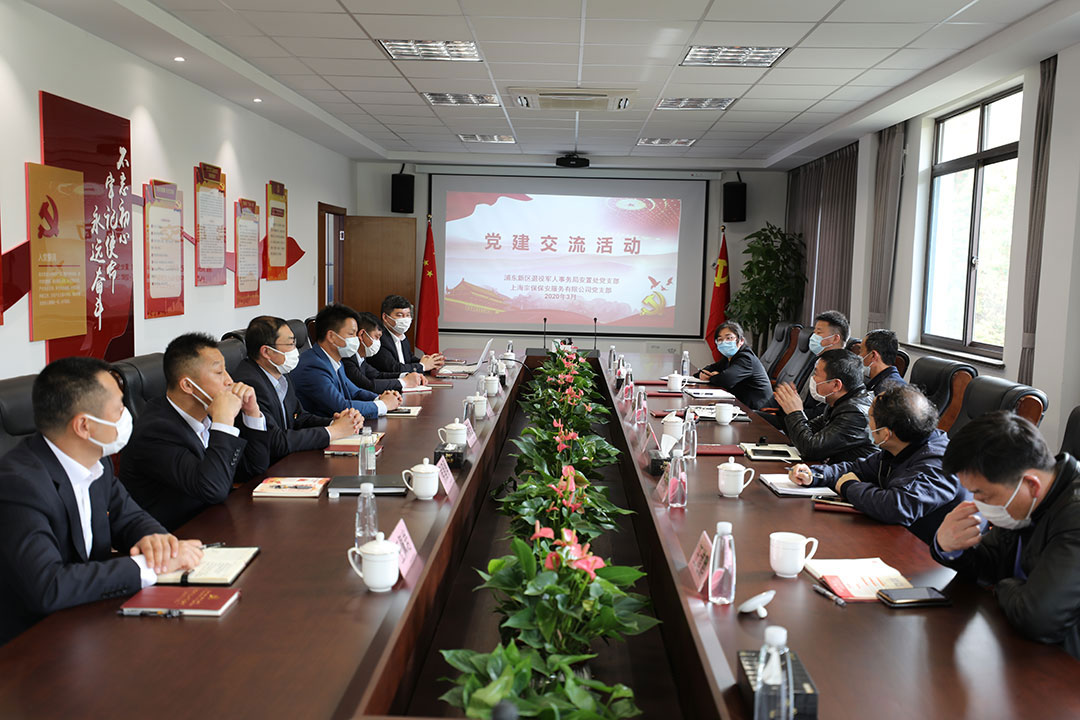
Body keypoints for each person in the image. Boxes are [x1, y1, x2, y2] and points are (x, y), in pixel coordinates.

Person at [0, 357, 203, 644]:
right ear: (84, 426)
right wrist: (149, 567)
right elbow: (48, 587)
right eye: (119, 409)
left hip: (89, 619)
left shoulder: (97, 461)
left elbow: (129, 517)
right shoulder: (19, 484)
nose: (127, 416)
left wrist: (158, 542)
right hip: (31, 643)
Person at [932, 412, 1080, 660]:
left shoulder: (1074, 516)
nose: (977, 503)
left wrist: (1003, 585)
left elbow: (1038, 618)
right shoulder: (1024, 504)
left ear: (1031, 485)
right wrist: (949, 545)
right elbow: (989, 563)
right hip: (1025, 649)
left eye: (983, 495)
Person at [120, 333, 271, 531]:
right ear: (188, 385)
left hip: (214, 522)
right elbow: (213, 489)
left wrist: (252, 412)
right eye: (219, 373)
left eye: (226, 370)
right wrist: (223, 422)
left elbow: (254, 467)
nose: (229, 381)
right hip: (174, 535)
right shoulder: (156, 431)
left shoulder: (208, 412)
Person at [788, 384, 965, 543]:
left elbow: (896, 507)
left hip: (926, 555)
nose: (868, 424)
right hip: (896, 538)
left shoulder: (939, 464)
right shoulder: (903, 446)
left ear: (886, 434)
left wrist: (849, 486)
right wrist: (815, 474)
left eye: (870, 418)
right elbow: (857, 468)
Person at [231, 316, 363, 465]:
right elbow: (276, 442)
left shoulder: (281, 375)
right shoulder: (250, 384)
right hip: (266, 469)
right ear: (266, 352)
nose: (296, 351)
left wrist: (337, 422)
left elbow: (299, 417)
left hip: (287, 461)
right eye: (290, 344)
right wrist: (334, 431)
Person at [291, 303, 402, 419]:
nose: (356, 339)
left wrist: (380, 398)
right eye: (351, 334)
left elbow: (355, 392)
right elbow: (341, 406)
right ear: (331, 336)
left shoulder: (335, 361)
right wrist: (384, 405)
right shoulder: (313, 366)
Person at [773, 348, 874, 463]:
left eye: (816, 374)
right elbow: (809, 432)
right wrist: (788, 406)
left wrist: (795, 412)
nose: (813, 379)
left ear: (836, 385)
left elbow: (811, 449)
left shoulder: (856, 413)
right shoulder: (841, 401)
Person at [343, 311, 426, 394]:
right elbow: (368, 386)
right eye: (376, 337)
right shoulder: (348, 359)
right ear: (361, 335)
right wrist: (404, 382)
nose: (378, 342)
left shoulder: (361, 358)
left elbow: (377, 375)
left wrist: (406, 375)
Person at [696, 320, 773, 409]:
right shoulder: (729, 357)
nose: (724, 342)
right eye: (720, 339)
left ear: (741, 341)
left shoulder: (746, 358)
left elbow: (726, 380)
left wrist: (711, 377)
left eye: (729, 338)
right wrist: (702, 374)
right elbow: (710, 368)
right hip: (740, 404)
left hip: (757, 410)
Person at [368, 294, 444, 375]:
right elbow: (394, 368)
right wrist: (423, 366)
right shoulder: (379, 338)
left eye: (407, 315)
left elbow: (409, 360)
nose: (405, 319)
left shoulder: (401, 336)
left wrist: (431, 362)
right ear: (385, 317)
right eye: (400, 315)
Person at [860, 328, 906, 395]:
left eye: (861, 351)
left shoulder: (886, 392)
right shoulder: (881, 381)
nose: (859, 355)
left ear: (873, 355)